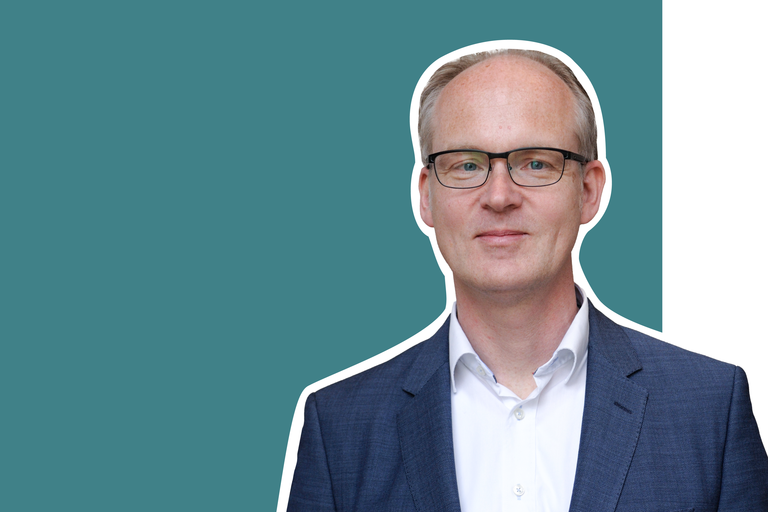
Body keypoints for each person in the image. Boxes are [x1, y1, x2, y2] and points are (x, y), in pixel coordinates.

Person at [285, 45, 768, 511]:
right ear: (426, 197)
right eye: (467, 164)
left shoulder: (709, 409)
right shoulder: (339, 429)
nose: (499, 196)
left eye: (536, 163)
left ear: (588, 190)